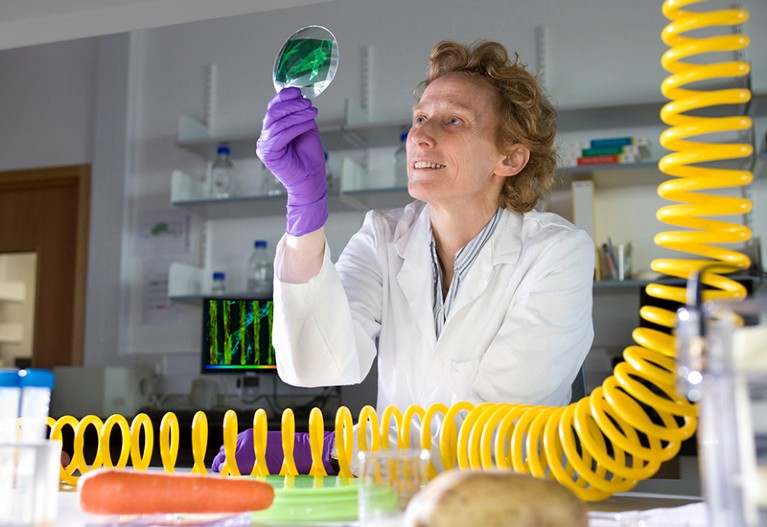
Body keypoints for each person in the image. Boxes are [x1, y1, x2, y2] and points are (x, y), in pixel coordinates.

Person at [212, 39, 594, 475]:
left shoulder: (557, 254)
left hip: (504, 508)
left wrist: (335, 449)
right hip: (399, 503)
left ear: (510, 157)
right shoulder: (383, 237)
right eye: (419, 118)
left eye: (453, 120)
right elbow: (318, 363)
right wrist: (304, 210)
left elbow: (493, 437)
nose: (420, 137)